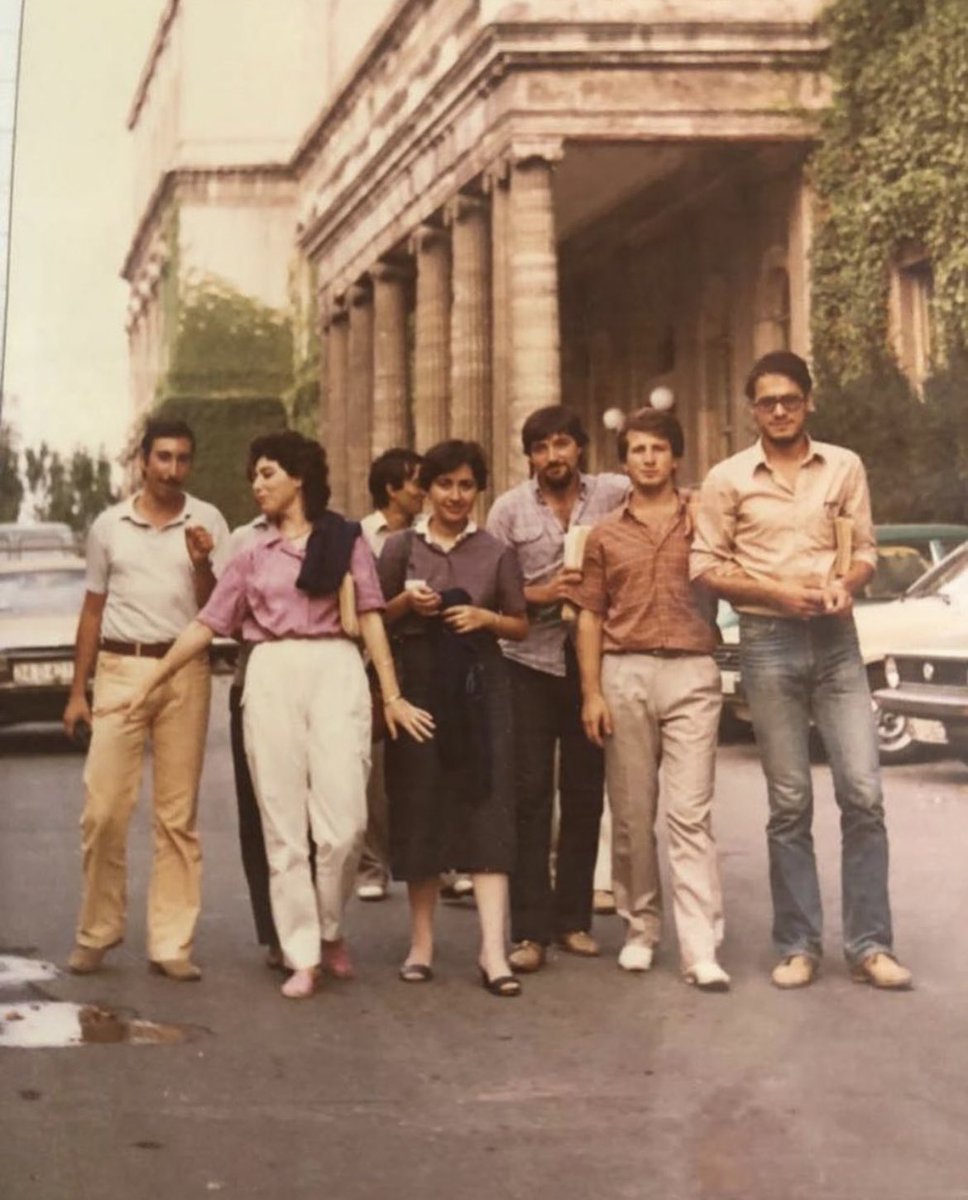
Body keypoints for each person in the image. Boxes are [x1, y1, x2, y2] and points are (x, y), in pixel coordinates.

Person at [98, 431, 434, 1000]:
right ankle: (302, 953)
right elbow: (207, 623)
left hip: (336, 672)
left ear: (299, 477)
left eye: (268, 473)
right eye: (254, 475)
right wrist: (151, 682)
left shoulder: (344, 536)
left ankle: (329, 927)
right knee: (282, 827)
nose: (257, 485)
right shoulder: (250, 551)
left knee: (345, 825)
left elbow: (373, 615)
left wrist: (393, 694)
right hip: (271, 673)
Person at [691, 350, 913, 991]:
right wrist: (772, 592)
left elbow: (865, 550)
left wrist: (849, 583)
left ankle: (871, 945)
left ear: (808, 401)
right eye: (767, 402)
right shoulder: (728, 479)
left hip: (837, 641)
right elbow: (705, 566)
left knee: (864, 795)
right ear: (751, 409)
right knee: (789, 803)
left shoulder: (843, 466)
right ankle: (798, 944)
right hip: (767, 640)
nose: (781, 410)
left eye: (791, 399)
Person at [62, 417, 230, 982]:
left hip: (184, 666)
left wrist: (203, 561)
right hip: (121, 666)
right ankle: (97, 932)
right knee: (104, 809)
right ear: (143, 461)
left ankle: (171, 942)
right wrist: (77, 692)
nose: (173, 469)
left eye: (183, 458)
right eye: (163, 457)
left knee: (176, 816)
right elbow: (91, 608)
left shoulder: (207, 520)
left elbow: (217, 612)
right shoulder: (109, 525)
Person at [572, 408, 728, 989]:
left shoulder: (704, 520)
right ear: (623, 462)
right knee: (634, 813)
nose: (648, 459)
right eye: (637, 450)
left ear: (676, 457)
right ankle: (641, 927)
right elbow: (588, 616)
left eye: (659, 448)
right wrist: (591, 692)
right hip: (626, 672)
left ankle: (699, 945)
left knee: (690, 813)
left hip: (691, 670)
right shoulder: (605, 534)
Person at [378, 439, 528, 996]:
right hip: (418, 686)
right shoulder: (399, 548)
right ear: (426, 490)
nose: (456, 496)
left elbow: (520, 624)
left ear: (478, 490)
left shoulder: (495, 551)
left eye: (467, 485)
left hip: (480, 686)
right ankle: (422, 944)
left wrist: (484, 616)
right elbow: (371, 620)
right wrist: (404, 605)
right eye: (445, 485)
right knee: (420, 806)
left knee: (487, 806)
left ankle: (493, 951)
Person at [485, 406, 628, 973]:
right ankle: (530, 930)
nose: (553, 457)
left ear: (581, 449)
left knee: (585, 790)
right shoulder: (508, 510)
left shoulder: (613, 493)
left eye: (563, 444)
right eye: (541, 448)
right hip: (527, 663)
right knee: (529, 794)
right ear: (529, 458)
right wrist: (539, 594)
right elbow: (491, 586)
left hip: (594, 662)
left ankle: (573, 920)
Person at [356, 448, 425, 902]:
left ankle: (437, 858)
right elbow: (365, 608)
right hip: (371, 660)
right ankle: (372, 865)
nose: (423, 491)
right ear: (391, 489)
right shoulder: (358, 537)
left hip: (422, 656)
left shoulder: (428, 535)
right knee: (375, 766)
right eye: (416, 482)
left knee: (426, 760)